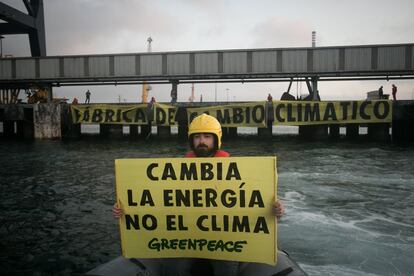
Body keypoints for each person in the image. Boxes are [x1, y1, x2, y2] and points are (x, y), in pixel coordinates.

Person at [113, 114, 284, 275]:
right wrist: (125, 210)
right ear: (191, 140)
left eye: (207, 136)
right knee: (173, 269)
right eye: (197, 136)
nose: (202, 141)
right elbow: (156, 201)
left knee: (227, 270)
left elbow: (253, 200)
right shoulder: (176, 171)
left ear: (216, 139)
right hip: (186, 237)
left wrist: (276, 209)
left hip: (224, 238)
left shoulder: (237, 169)